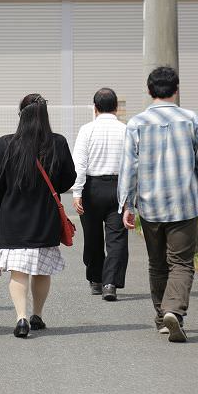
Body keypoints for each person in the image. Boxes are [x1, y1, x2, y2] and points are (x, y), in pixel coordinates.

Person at [118, 66, 198, 343]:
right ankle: (174, 310)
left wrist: (128, 205)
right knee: (181, 262)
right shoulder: (191, 120)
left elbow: (129, 168)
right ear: (176, 89)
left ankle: (163, 317)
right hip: (184, 204)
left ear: (149, 91)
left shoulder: (136, 124)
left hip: (150, 206)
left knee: (157, 263)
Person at [0, 93, 76, 338]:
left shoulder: (5, 144)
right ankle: (38, 315)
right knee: (41, 269)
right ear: (45, 116)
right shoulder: (58, 143)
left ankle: (21, 318)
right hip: (45, 219)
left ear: (21, 115)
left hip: (13, 220)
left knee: (18, 272)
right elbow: (69, 179)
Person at [72, 87, 128, 301]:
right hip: (118, 187)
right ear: (116, 107)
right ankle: (110, 283)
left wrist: (77, 192)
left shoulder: (87, 130)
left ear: (95, 108)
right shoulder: (126, 130)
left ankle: (95, 279)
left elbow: (80, 163)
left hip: (91, 188)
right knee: (117, 239)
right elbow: (132, 164)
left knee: (93, 236)